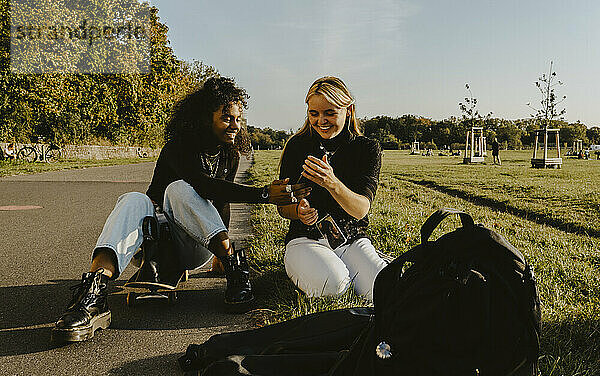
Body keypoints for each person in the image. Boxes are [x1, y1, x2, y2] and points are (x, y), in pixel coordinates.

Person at [52, 77, 309, 343]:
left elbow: (221, 199)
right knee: (135, 198)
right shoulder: (178, 147)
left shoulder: (230, 153)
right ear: (204, 118)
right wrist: (264, 194)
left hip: (193, 247)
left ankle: (235, 268)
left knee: (178, 190)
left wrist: (223, 252)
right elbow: (204, 185)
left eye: (238, 118)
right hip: (153, 243)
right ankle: (94, 292)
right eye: (227, 118)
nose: (235, 126)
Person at [277, 76, 386, 302]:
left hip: (350, 238)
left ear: (348, 110)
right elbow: (282, 207)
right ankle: (305, 266)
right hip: (305, 239)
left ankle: (366, 264)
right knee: (334, 286)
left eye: (330, 112)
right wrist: (298, 211)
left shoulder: (366, 148)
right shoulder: (297, 146)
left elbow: (360, 210)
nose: (321, 121)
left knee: (384, 291)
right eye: (314, 113)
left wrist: (332, 183)